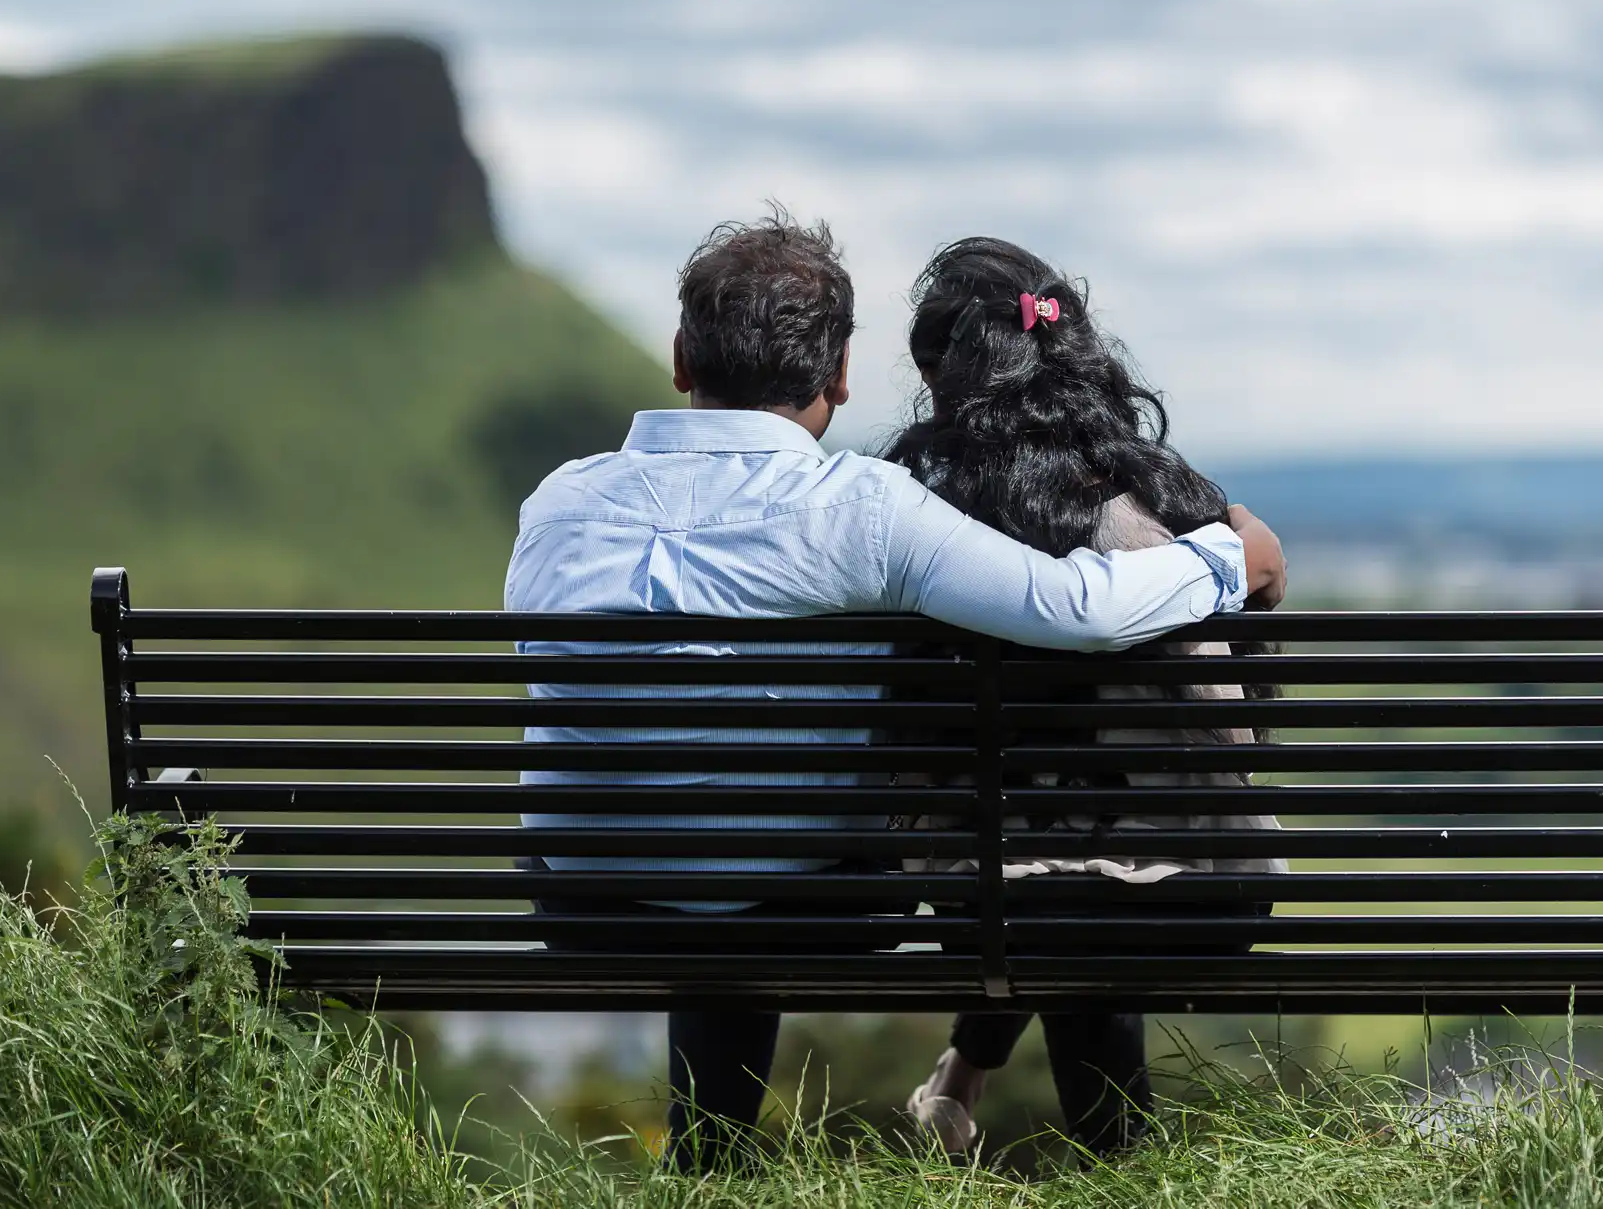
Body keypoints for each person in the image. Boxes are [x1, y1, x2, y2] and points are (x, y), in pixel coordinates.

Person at [505, 210, 1289, 1174]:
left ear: (680, 356)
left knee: (692, 826)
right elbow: (1074, 603)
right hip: (809, 907)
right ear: (837, 377)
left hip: (589, 906)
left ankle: (709, 1164)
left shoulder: (557, 502)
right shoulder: (863, 510)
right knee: (763, 849)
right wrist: (1228, 553)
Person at [886, 237, 1289, 1160]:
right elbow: (1241, 686)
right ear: (1079, 356)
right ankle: (1102, 1151)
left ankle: (1041, 1119)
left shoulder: (921, 527)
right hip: (1206, 902)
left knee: (1048, 881)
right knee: (1093, 877)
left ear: (937, 376)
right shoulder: (1168, 509)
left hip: (994, 912)